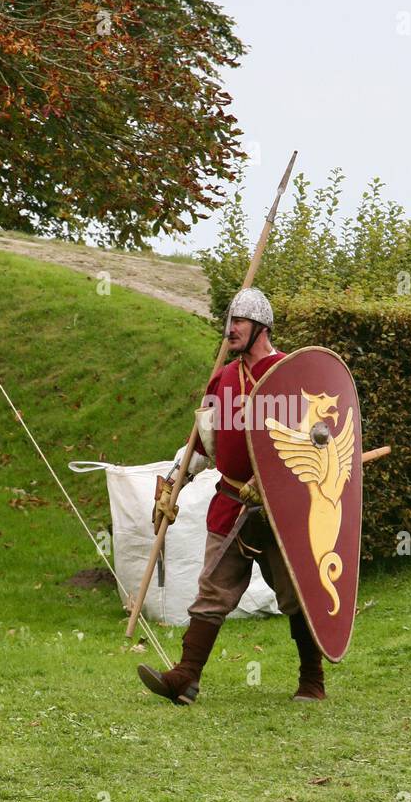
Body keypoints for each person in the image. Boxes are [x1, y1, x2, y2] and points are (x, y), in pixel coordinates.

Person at [137, 287, 327, 706]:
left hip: (282, 509)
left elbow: (317, 441)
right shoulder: (223, 378)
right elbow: (203, 446)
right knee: (212, 592)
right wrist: (173, 481)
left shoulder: (291, 375)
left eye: (238, 321)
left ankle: (312, 681)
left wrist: (279, 475)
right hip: (231, 502)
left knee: (296, 596)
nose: (230, 329)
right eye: (229, 321)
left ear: (261, 326)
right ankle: (185, 678)